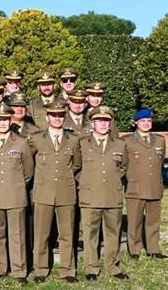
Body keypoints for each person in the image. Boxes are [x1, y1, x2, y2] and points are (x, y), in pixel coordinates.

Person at [29, 101, 82, 284]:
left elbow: (77, 164)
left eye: (60, 116)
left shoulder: (73, 140)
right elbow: (30, 163)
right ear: (48, 117)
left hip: (66, 192)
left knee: (67, 233)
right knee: (41, 234)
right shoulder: (36, 139)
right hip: (43, 191)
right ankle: (41, 269)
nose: (57, 119)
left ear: (64, 117)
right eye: (54, 115)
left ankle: (67, 270)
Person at [77, 106, 129, 281]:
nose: (103, 124)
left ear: (110, 123)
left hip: (112, 196)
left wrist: (112, 180)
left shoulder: (120, 144)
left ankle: (112, 266)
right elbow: (76, 167)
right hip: (90, 196)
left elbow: (123, 168)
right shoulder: (83, 143)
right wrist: (86, 182)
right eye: (99, 120)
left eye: (106, 121)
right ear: (93, 123)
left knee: (112, 233)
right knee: (90, 234)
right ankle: (91, 268)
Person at [0, 104, 34, 285]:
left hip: (15, 195)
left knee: (17, 234)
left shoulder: (21, 142)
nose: (3, 123)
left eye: (6, 119)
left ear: (10, 120)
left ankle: (19, 269)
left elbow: (28, 170)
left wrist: (18, 185)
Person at [123, 109, 167, 259]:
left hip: (154, 185)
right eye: (143, 121)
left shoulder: (160, 140)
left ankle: (153, 249)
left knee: (153, 221)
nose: (146, 124)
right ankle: (134, 250)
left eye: (148, 121)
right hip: (135, 187)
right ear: (136, 122)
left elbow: (159, 163)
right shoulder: (128, 141)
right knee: (135, 221)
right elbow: (124, 164)